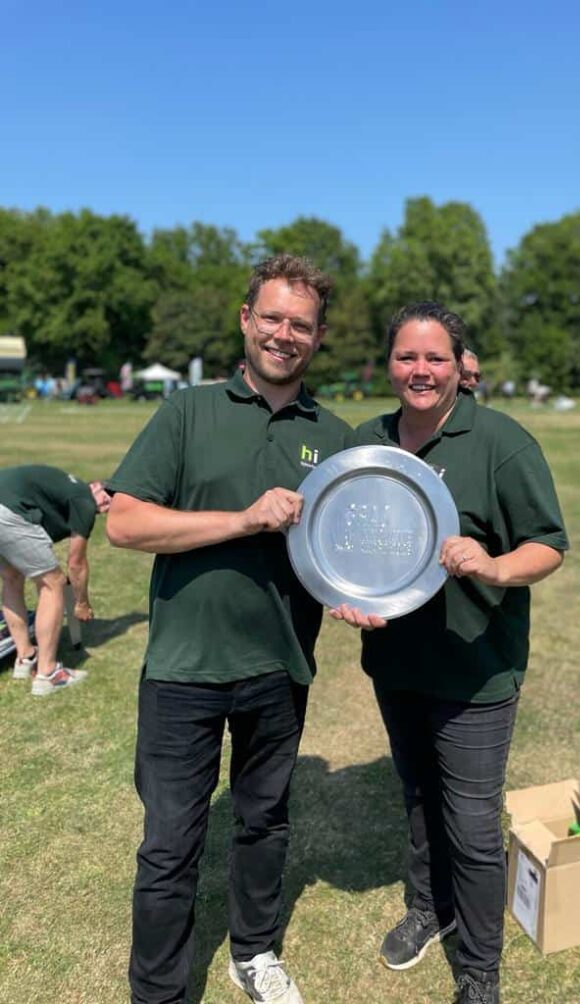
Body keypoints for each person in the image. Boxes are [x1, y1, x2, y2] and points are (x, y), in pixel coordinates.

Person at [105, 254, 351, 1004]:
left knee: (264, 823)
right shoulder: (186, 411)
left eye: (300, 325)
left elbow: (350, 551)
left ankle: (254, 953)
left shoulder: (334, 437)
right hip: (184, 667)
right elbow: (124, 522)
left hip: (279, 668)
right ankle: (159, 992)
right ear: (246, 321)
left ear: (316, 338)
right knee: (170, 845)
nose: (284, 334)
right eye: (271, 318)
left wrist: (361, 592)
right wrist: (244, 519)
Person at [330, 301, 568, 1004]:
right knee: (416, 797)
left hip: (475, 668)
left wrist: (491, 567)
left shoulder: (500, 441)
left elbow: (547, 546)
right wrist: (346, 595)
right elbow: (344, 539)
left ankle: (479, 972)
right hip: (397, 665)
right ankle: (427, 908)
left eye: (435, 358)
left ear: (459, 367)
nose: (421, 371)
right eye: (407, 357)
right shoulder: (366, 441)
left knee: (469, 823)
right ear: (389, 364)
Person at [0, 465, 110, 694]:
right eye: (107, 497)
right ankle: (48, 674)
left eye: (111, 506)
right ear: (96, 486)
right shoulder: (84, 499)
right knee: (54, 584)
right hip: (8, 510)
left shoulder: (69, 489)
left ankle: (25, 657)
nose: (105, 506)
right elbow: (76, 563)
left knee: (11, 577)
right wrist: (81, 603)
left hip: (6, 503)